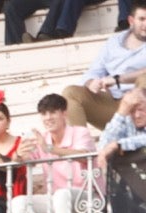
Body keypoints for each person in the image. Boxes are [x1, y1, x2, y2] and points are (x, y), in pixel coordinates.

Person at [8, 94, 98, 213]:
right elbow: (24, 161)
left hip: (88, 200)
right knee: (19, 202)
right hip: (59, 202)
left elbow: (83, 155)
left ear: (64, 113)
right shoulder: (43, 139)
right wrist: (18, 154)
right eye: (44, 113)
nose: (48, 117)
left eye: (52, 112)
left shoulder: (80, 133)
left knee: (62, 194)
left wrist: (49, 149)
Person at [62, 2, 146, 130]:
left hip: (141, 105)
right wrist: (91, 83)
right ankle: (81, 146)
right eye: (142, 19)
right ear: (131, 20)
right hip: (114, 105)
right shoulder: (113, 42)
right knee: (71, 93)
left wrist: (117, 79)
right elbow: (93, 72)